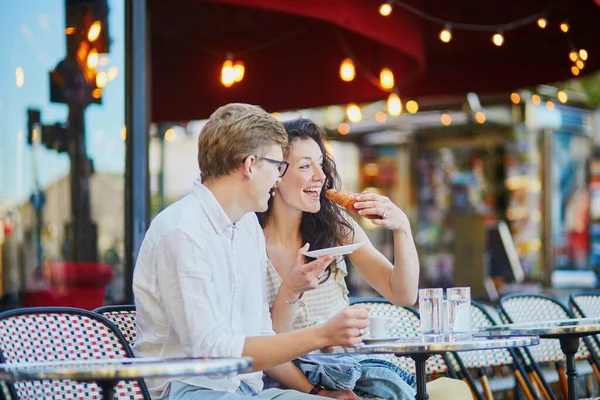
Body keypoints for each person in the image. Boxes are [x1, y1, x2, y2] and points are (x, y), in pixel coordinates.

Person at [132, 104, 372, 400]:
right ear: (250, 165)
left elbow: (262, 333)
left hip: (246, 390)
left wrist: (319, 391)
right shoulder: (182, 231)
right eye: (277, 166)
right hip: (186, 390)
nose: (277, 178)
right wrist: (323, 334)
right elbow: (213, 354)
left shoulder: (246, 227)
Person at [257, 118, 472, 399]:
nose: (320, 176)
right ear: (275, 174)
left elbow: (403, 293)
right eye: (305, 166)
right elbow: (263, 346)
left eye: (320, 164)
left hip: (349, 372)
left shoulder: (336, 227)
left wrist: (402, 228)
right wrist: (318, 391)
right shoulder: (250, 244)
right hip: (289, 383)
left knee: (454, 390)